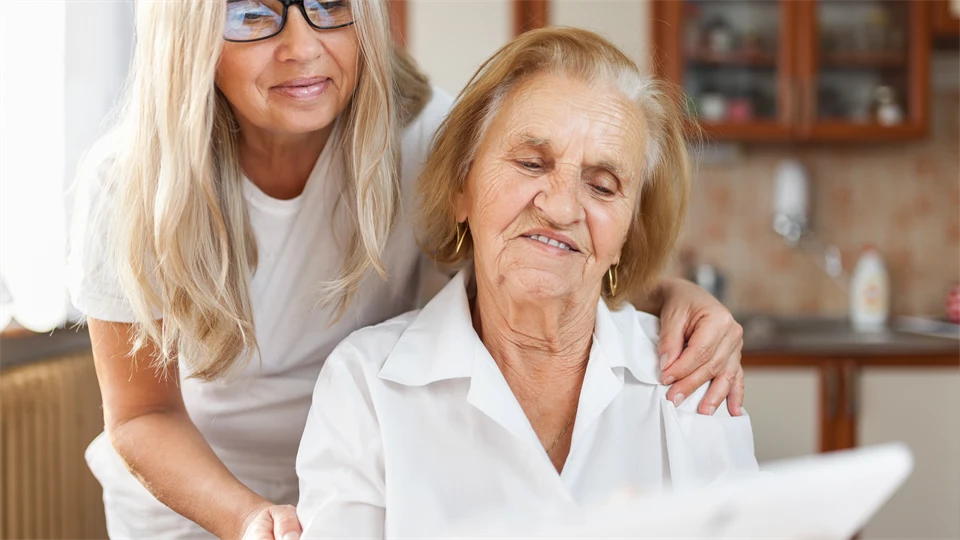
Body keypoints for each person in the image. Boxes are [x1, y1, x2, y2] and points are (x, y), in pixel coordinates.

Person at [68, 2, 746, 539]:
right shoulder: (130, 183)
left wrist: (678, 292)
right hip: (209, 490)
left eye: (329, 5)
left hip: (378, 461)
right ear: (189, 34)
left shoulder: (419, 136)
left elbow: (541, 236)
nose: (302, 47)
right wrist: (249, 519)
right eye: (251, 14)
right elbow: (143, 414)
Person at [295, 27, 758, 538]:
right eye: (531, 163)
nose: (560, 208)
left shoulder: (693, 381)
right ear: (460, 189)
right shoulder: (366, 386)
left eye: (603, 186)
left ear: (627, 233)